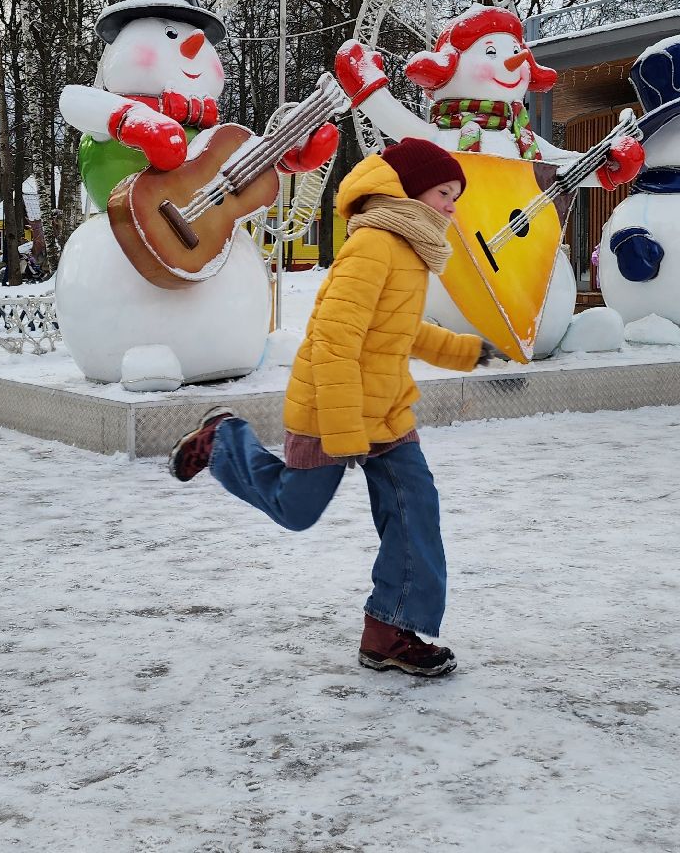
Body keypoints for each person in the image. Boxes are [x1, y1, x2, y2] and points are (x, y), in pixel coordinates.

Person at [166, 138, 499, 677]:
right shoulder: (373, 246)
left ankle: (388, 631)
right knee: (296, 511)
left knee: (416, 507)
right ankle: (225, 439)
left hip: (386, 409)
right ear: (410, 190)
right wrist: (345, 433)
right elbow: (334, 342)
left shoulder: (410, 250)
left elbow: (397, 331)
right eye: (444, 192)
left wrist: (463, 350)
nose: (451, 206)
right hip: (331, 406)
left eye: (455, 196)